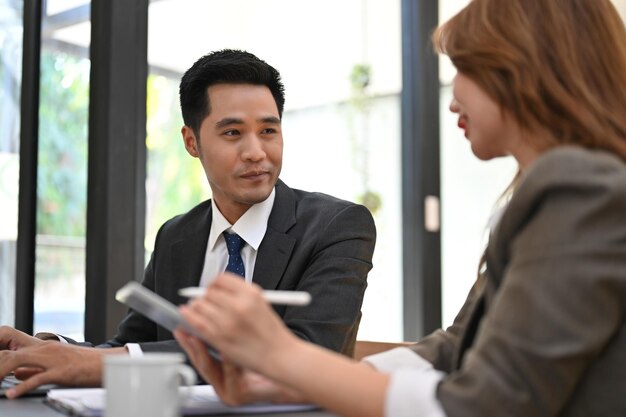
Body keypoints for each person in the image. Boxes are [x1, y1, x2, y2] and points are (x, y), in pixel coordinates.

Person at [171, 1, 626, 416]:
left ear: (521, 70)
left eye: (463, 68)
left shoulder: (580, 190)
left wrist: (280, 355)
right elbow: (454, 348)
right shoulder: (560, 191)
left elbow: (490, 405)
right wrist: (287, 382)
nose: (452, 98)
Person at [0, 49, 376, 398]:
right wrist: (50, 349)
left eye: (268, 130)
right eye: (232, 133)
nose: (256, 152)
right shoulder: (177, 235)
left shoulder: (337, 226)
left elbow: (303, 357)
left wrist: (94, 364)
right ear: (191, 141)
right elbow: (131, 346)